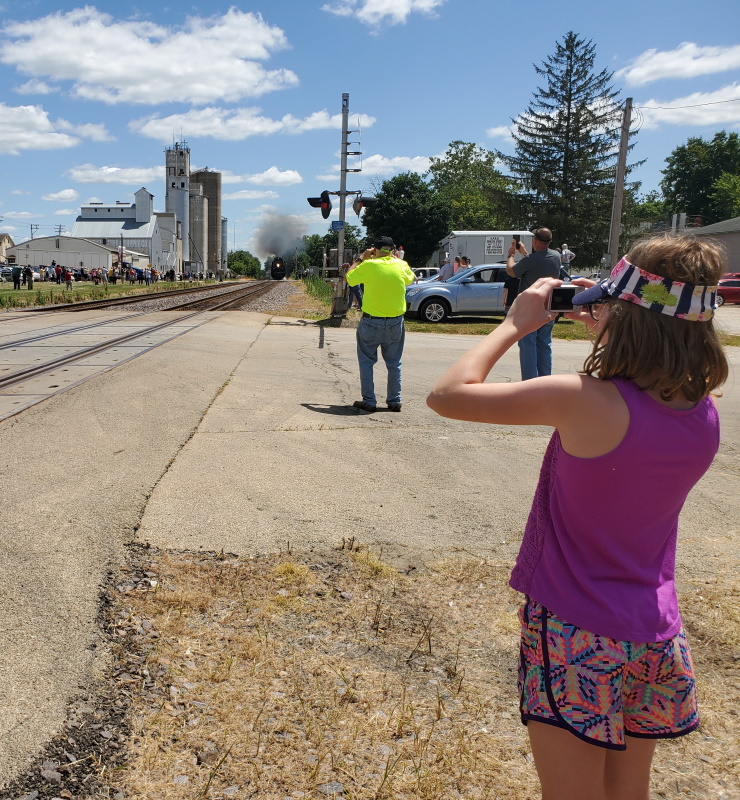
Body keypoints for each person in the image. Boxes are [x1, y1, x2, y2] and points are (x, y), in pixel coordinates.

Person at [427, 234, 727, 800]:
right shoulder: (701, 413)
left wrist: (515, 324)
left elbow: (447, 394)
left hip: (575, 630)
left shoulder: (583, 398)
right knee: (626, 792)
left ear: (627, 315)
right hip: (656, 632)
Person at [346, 236, 415, 412]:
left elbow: (349, 278)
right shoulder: (401, 265)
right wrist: (396, 259)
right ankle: (394, 401)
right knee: (394, 362)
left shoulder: (368, 265)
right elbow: (410, 279)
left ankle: (369, 401)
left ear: (374, 250)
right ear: (392, 250)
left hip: (371, 322)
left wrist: (361, 258)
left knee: (366, 362)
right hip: (395, 323)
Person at [506, 227, 561, 380]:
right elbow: (537, 261)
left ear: (535, 241)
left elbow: (512, 271)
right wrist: (525, 253)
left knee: (527, 345)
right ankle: (544, 380)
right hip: (548, 307)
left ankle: (529, 382)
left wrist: (511, 254)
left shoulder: (531, 260)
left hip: (530, 309)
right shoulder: (556, 256)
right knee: (544, 345)